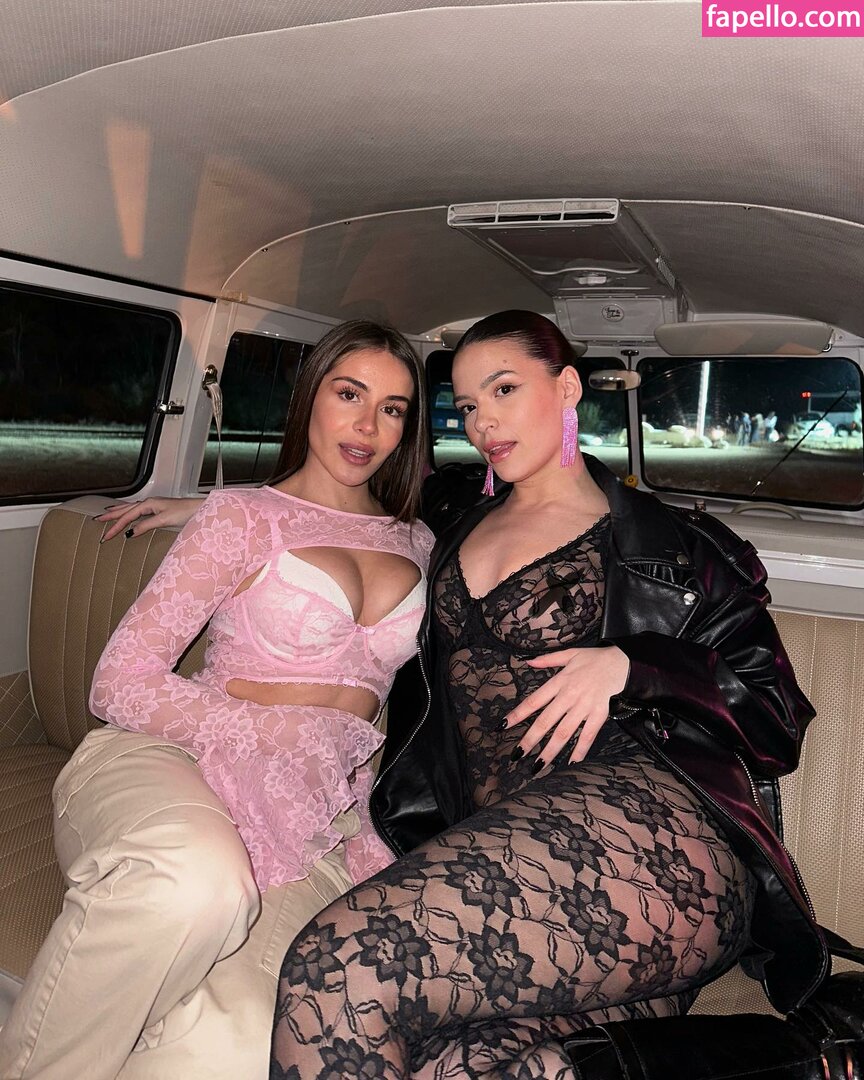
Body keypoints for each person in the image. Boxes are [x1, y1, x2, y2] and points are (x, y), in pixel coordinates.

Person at [270, 311, 821, 1078]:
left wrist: (635, 665)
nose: (483, 422)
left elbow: (775, 716)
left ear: (566, 389)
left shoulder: (674, 549)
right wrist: (215, 516)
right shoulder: (450, 517)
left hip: (657, 849)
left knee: (333, 968)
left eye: (504, 390)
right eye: (467, 405)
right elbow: (337, 508)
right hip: (514, 868)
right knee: (465, 1066)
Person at [0, 320, 435, 1080]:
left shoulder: (420, 542)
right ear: (311, 398)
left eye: (393, 408)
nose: (368, 425)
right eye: (350, 394)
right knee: (194, 882)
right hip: (174, 758)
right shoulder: (241, 517)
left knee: (238, 1046)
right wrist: (276, 733)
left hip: (317, 809)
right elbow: (119, 682)